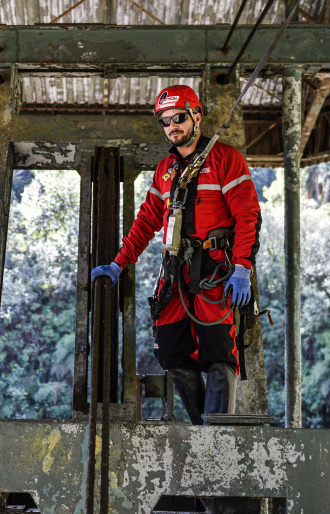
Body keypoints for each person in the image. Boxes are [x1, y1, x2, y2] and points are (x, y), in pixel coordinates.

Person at [91, 84, 261, 424]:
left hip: (216, 269)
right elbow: (147, 220)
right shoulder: (165, 170)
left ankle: (217, 436)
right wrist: (118, 262)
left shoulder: (225, 158)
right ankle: (202, 429)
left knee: (217, 349)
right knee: (170, 350)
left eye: (179, 118)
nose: (173, 127)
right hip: (175, 270)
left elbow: (248, 217)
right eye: (166, 121)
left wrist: (242, 267)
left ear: (197, 116)